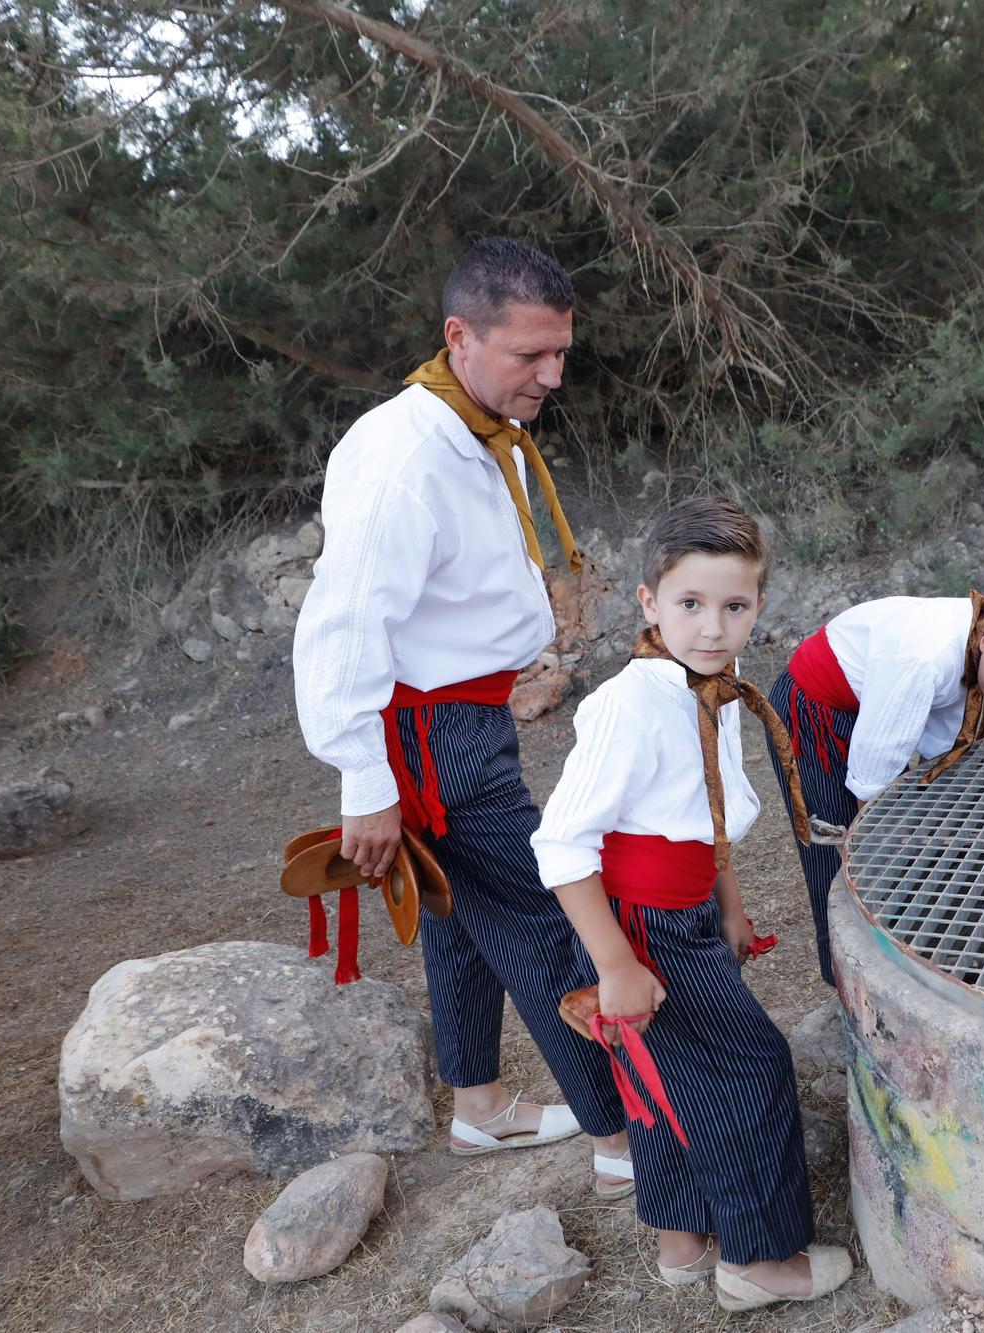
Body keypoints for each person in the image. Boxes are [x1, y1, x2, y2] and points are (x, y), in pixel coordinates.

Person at [292, 236, 633, 1196]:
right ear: (461, 336)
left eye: (561, 353)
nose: (552, 376)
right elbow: (344, 624)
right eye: (531, 355)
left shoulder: (477, 425)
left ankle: (480, 1107)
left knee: (458, 909)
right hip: (428, 735)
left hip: (467, 719)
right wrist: (367, 778)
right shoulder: (404, 455)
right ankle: (623, 1138)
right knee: (539, 912)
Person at [532, 497, 852, 1311]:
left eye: (734, 606)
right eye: (690, 604)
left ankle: (682, 1239)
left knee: (666, 1075)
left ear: (758, 607)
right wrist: (616, 964)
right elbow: (562, 844)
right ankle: (757, 1259)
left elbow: (706, 821)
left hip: (683, 915)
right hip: (641, 930)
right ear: (648, 602)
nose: (713, 626)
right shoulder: (629, 704)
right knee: (751, 1070)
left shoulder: (714, 687)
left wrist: (731, 909)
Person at [765, 585, 984, 983]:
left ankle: (910, 935)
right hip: (813, 708)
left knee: (897, 835)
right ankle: (852, 974)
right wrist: (872, 844)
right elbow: (875, 766)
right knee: (836, 849)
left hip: (870, 703)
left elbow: (938, 731)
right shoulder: (922, 658)